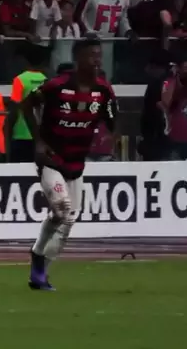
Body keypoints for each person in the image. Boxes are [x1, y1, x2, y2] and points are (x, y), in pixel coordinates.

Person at [19, 38, 117, 291]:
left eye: (99, 55)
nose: (96, 60)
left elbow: (113, 119)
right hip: (52, 159)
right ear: (78, 58)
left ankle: (40, 268)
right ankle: (37, 257)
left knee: (67, 220)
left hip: (77, 162)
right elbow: (26, 105)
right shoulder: (57, 86)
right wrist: (39, 142)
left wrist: (111, 136)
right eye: (91, 55)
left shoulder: (104, 90)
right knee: (63, 210)